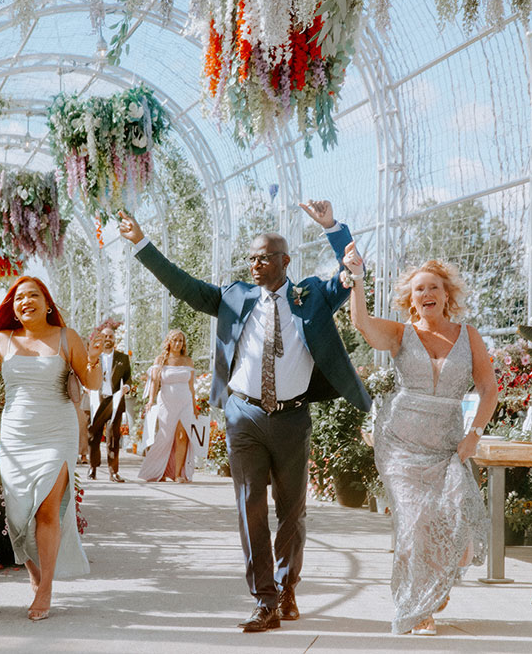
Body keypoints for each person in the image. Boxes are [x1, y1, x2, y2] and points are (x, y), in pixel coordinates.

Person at [118, 200, 370, 633]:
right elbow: (182, 285)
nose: (255, 264)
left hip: (292, 418)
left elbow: (351, 272)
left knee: (292, 511)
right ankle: (265, 599)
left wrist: (333, 228)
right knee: (249, 505)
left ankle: (287, 585)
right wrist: (141, 243)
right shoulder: (234, 297)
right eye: (251, 257)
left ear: (285, 261)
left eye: (265, 257)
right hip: (244, 416)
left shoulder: (310, 295)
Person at [341, 245, 497, 635]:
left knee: (451, 521)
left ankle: (431, 586)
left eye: (433, 288)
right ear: (411, 300)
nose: (426, 294)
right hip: (400, 444)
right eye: (418, 290)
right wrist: (357, 280)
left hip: (446, 445)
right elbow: (361, 322)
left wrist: (473, 436)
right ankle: (417, 608)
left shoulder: (469, 336)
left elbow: (489, 389)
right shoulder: (400, 334)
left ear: (447, 295)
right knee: (414, 523)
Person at [0, 277, 102, 622]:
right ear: (13, 309)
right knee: (18, 516)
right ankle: (36, 572)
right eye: (19, 298)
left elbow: (91, 383)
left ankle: (45, 588)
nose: (25, 301)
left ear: (47, 303)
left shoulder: (67, 337)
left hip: (56, 432)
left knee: (47, 510)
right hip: (17, 437)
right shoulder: (4, 340)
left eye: (33, 295)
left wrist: (94, 358)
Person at [137, 329, 197, 483]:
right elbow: (155, 382)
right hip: (167, 403)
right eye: (175, 340)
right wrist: (151, 400)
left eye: (181, 341)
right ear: (169, 342)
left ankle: (178, 474)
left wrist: (195, 405)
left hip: (185, 402)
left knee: (182, 437)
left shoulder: (188, 361)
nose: (178, 344)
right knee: (164, 437)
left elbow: (191, 386)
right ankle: (158, 470)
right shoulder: (161, 360)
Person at [86, 325, 132, 482]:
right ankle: (93, 468)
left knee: (113, 437)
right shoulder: (93, 357)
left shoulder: (123, 358)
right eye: (105, 336)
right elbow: (85, 373)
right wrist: (86, 387)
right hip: (97, 400)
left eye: (110, 337)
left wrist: (127, 386)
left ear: (114, 339)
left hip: (115, 400)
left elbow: (128, 378)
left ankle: (113, 472)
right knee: (93, 435)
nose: (108, 339)